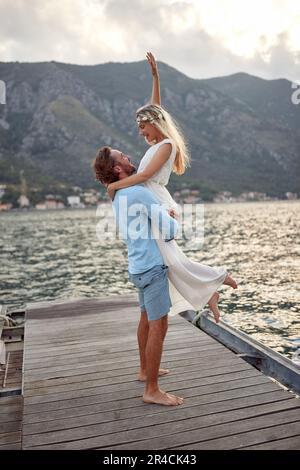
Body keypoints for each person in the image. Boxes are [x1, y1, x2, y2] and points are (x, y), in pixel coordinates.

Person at [105, 52, 238, 323]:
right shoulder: (158, 143)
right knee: (169, 260)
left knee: (170, 260)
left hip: (153, 197)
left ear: (155, 125)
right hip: (151, 198)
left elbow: (145, 176)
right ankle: (210, 289)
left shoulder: (166, 146)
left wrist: (114, 186)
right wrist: (155, 77)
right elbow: (156, 107)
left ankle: (216, 279)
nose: (141, 132)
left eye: (144, 127)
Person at [93, 147, 184, 406]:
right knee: (159, 326)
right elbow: (169, 231)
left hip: (137, 266)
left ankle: (144, 370)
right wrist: (172, 217)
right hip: (152, 267)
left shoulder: (118, 194)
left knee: (145, 318)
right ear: (118, 169)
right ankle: (151, 389)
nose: (129, 157)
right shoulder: (139, 193)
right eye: (123, 157)